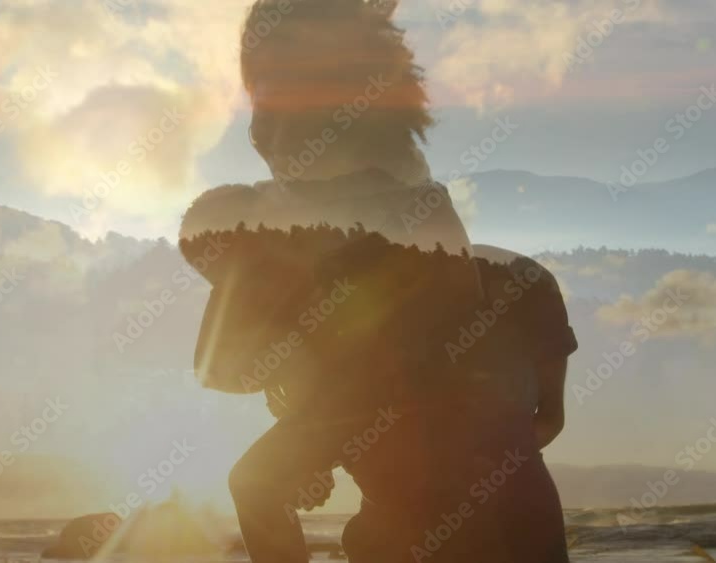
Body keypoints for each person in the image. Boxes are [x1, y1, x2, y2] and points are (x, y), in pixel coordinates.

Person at [178, 1, 577, 561]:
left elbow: (224, 368)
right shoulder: (485, 259)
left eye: (274, 102)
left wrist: (333, 437)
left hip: (437, 524)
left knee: (253, 483)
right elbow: (541, 419)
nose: (260, 134)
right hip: (462, 520)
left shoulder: (350, 229)